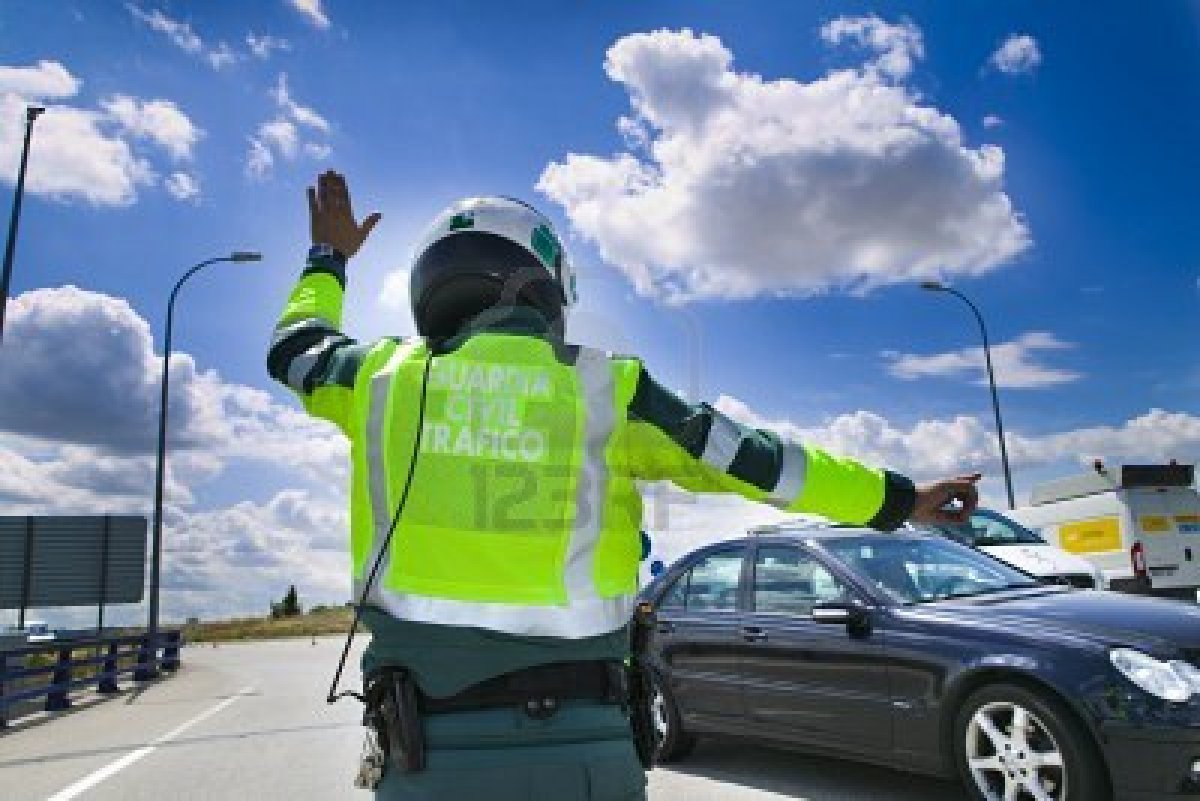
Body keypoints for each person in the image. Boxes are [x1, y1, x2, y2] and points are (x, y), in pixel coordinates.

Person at [268, 170, 980, 800]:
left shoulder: (377, 380)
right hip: (588, 750)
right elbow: (762, 462)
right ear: (546, 287)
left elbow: (296, 347)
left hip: (427, 755)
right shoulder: (612, 388)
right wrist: (898, 498)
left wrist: (327, 257)